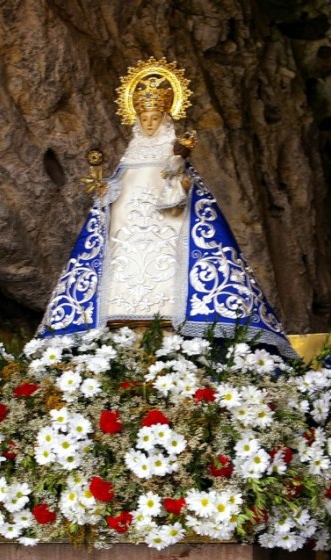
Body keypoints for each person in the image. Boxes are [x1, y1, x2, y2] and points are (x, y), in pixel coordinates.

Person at [39, 58, 298, 360]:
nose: (149, 123)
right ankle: (122, 324)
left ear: (165, 117)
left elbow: (177, 196)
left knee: (170, 273)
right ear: (136, 118)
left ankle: (171, 326)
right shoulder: (129, 157)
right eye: (144, 118)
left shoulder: (174, 155)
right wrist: (106, 193)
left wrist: (180, 182)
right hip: (127, 236)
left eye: (155, 117)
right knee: (120, 275)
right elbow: (116, 194)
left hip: (168, 234)